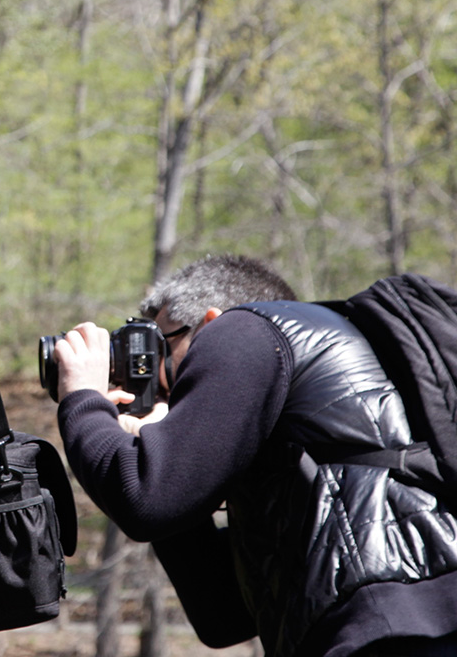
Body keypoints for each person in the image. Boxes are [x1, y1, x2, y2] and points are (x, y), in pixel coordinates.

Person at [51, 254, 457, 657]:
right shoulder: (295, 443)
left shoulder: (243, 327)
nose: (150, 383)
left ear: (211, 322)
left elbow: (143, 498)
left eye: (155, 349)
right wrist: (156, 450)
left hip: (397, 632)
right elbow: (222, 617)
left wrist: (82, 396)